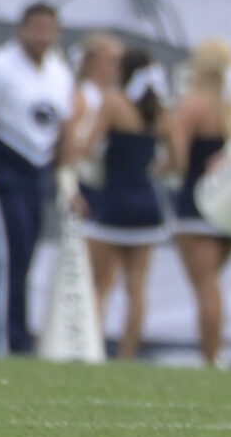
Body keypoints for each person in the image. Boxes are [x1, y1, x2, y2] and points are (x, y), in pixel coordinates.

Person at [0, 2, 76, 357]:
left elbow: (64, 129)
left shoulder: (58, 72)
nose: (42, 37)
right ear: (22, 29)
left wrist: (66, 177)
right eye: (36, 28)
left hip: (36, 172)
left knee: (25, 255)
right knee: (9, 256)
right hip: (2, 170)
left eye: (48, 29)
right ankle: (7, 342)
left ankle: (18, 336)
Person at [72, 41, 172, 363]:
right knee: (137, 289)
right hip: (147, 203)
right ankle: (128, 356)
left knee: (100, 284)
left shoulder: (114, 103)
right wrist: (148, 169)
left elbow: (87, 147)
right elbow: (177, 160)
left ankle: (93, 351)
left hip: (114, 202)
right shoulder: (159, 110)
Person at [169, 38, 231, 366]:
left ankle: (212, 355)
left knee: (206, 285)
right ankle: (216, 352)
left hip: (196, 203)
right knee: (212, 283)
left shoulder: (193, 105)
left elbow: (177, 160)